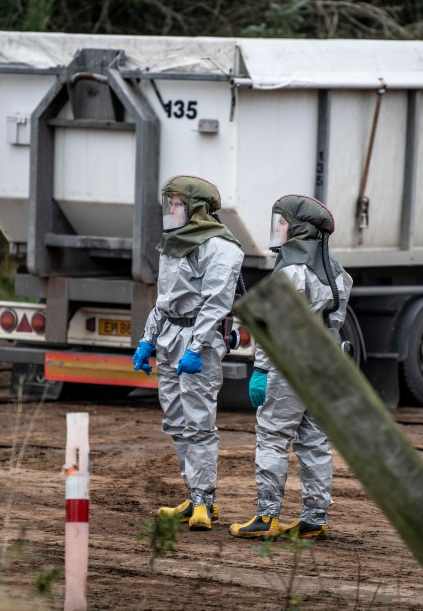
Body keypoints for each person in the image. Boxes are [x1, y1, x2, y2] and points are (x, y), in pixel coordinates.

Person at [229, 195, 352, 540]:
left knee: (272, 438)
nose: (277, 230)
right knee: (314, 442)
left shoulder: (291, 273)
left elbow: (273, 330)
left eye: (281, 224)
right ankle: (314, 517)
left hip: (288, 368)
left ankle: (267, 516)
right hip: (324, 367)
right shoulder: (339, 274)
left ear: (299, 230)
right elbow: (334, 323)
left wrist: (261, 370)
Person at [132, 175, 244, 531]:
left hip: (199, 340)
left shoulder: (222, 248)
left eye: (178, 204)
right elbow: (163, 300)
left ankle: (205, 502)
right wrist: (147, 339)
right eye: (170, 204)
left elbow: (217, 303)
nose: (172, 211)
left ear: (196, 209)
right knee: (177, 423)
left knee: (199, 424)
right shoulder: (172, 243)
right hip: (168, 338)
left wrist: (196, 348)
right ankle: (193, 494)